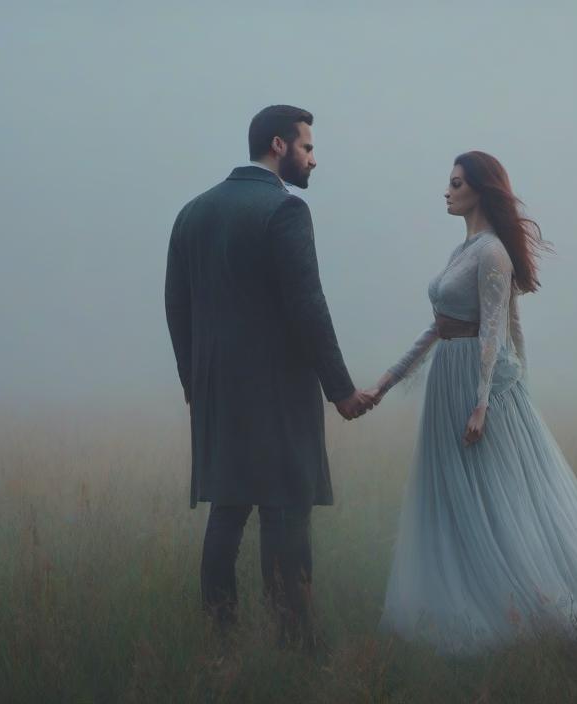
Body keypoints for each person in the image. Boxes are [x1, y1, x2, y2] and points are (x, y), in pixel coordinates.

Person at [370, 151, 577, 655]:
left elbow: (496, 331)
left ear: (480, 189)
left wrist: (482, 404)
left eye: (456, 183)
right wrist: (386, 381)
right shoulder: (464, 249)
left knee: (500, 500)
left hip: (481, 388)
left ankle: (538, 612)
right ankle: (463, 596)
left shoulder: (491, 252)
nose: (446, 191)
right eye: (447, 183)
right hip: (449, 382)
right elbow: (440, 327)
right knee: (456, 498)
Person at [164, 104, 377, 652]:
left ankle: (221, 637)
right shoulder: (285, 211)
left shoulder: (192, 212)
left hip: (217, 396)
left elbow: (176, 308)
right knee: (285, 512)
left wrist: (194, 384)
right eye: (307, 147)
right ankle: (293, 645)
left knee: (227, 509)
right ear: (279, 146)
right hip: (278, 395)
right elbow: (308, 306)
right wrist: (342, 391)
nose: (313, 158)